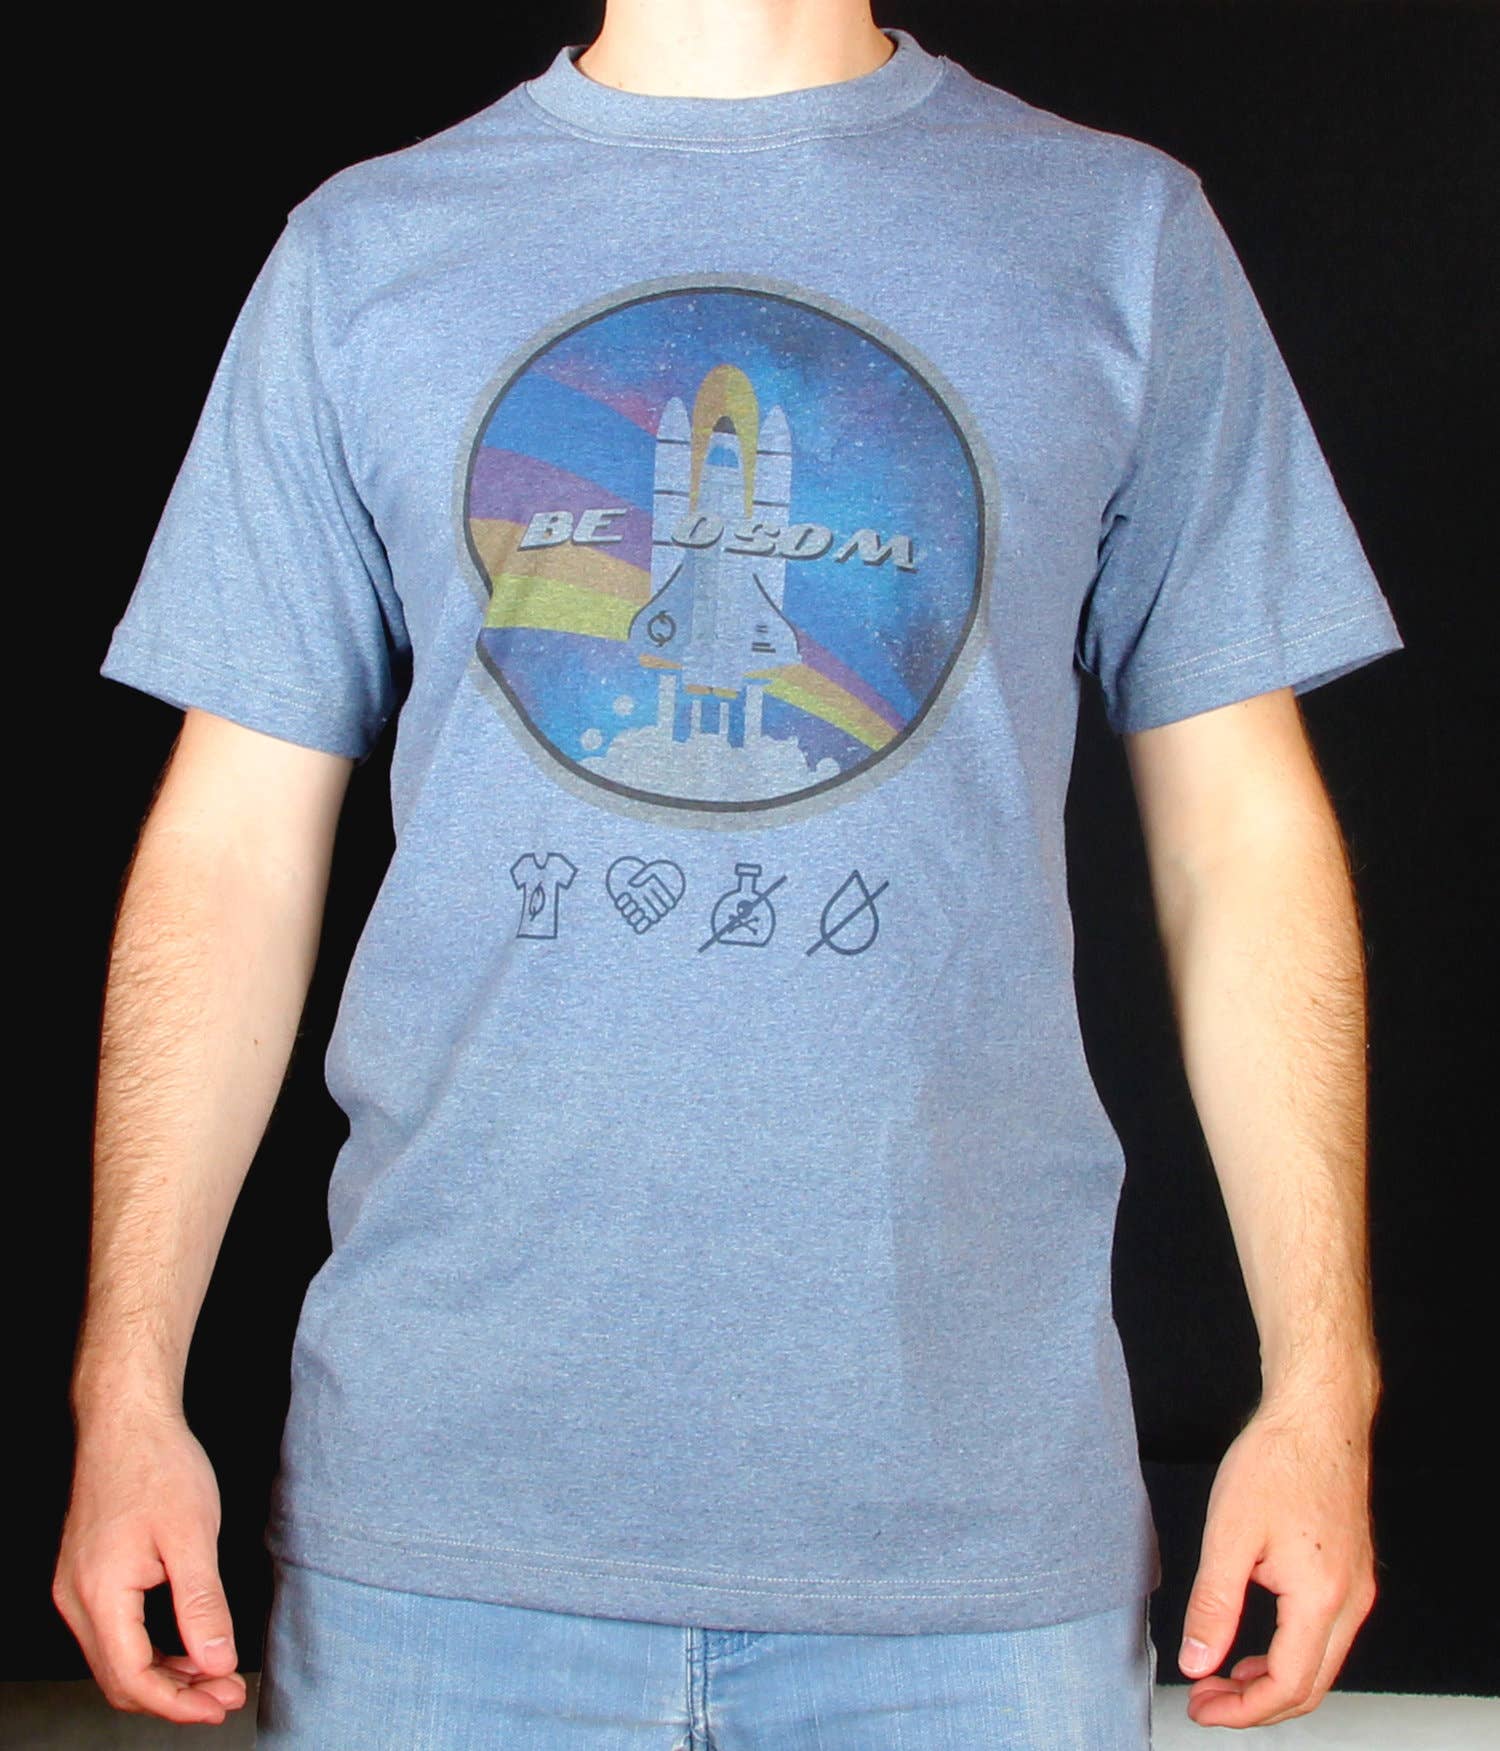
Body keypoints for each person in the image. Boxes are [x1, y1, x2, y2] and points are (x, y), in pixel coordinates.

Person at [55, 1, 1401, 1743]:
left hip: (973, 1554)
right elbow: (229, 850)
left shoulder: (1121, 233)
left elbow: (1243, 840)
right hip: (442, 1541)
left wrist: (1324, 1389)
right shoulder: (365, 251)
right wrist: (124, 1391)